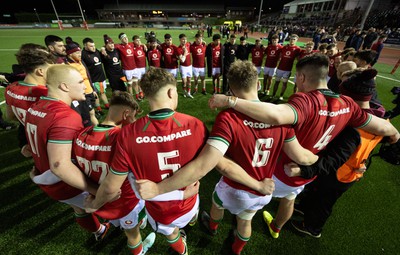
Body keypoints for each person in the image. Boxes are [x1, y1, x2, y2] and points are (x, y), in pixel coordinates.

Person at [206, 53, 399, 239]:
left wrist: (230, 100)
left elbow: (277, 115)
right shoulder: (347, 103)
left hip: (281, 171)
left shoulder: (305, 101)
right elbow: (380, 124)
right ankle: (276, 228)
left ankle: (231, 222)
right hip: (306, 174)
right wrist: (394, 132)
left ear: (301, 76)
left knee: (246, 207)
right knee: (288, 200)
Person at [85, 67, 206, 255]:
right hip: (191, 198)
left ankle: (181, 249)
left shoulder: (127, 134)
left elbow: (111, 187)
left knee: (170, 233)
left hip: (160, 208)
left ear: (146, 95)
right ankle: (189, 224)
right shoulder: (195, 124)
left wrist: (94, 205)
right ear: (170, 92)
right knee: (184, 218)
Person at [289, 68, 387, 238]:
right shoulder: (379, 116)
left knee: (324, 202)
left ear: (350, 97)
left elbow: (332, 161)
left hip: (340, 174)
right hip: (348, 168)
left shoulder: (354, 128)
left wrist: (303, 171)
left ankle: (312, 228)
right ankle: (304, 207)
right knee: (316, 192)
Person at [26, 64, 109, 241]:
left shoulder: (36, 107)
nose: (84, 86)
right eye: (80, 82)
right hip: (66, 183)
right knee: (113, 205)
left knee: (78, 209)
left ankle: (99, 231)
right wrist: (97, 190)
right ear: (64, 86)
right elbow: (60, 165)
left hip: (46, 178)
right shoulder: (65, 116)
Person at [72, 91, 156, 254]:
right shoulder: (124, 138)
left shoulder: (81, 134)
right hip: (124, 201)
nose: (135, 120)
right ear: (126, 113)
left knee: (121, 222)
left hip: (98, 197)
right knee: (132, 235)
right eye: (133, 116)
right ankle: (139, 252)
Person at [5, 43, 53, 157]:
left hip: (34, 142)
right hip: (54, 143)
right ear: (40, 71)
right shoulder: (46, 94)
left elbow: (10, 116)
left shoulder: (11, 88)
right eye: (51, 69)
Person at [66, 42, 98, 126]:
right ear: (70, 55)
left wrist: (93, 89)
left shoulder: (81, 62)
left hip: (90, 91)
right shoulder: (68, 66)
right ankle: (97, 131)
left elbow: (88, 75)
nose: (79, 54)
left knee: (91, 113)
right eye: (77, 52)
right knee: (90, 114)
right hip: (83, 94)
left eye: (80, 52)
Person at [81, 37, 110, 113]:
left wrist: (103, 49)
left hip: (101, 77)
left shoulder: (96, 51)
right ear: (85, 46)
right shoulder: (83, 55)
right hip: (94, 79)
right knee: (96, 94)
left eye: (94, 45)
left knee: (102, 92)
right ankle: (99, 108)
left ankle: (105, 106)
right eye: (91, 46)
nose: (93, 47)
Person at [271, 34, 301, 101]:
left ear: (296, 41)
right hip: (279, 68)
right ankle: (273, 95)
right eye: (291, 39)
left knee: (284, 83)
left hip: (287, 69)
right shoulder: (284, 47)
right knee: (277, 82)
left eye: (294, 39)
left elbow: (298, 59)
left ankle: (281, 95)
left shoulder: (297, 49)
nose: (292, 41)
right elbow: (279, 56)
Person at [114, 33, 138, 99]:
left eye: (126, 37)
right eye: (124, 38)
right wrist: (103, 48)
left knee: (135, 82)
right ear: (121, 40)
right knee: (129, 84)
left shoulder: (131, 44)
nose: (126, 39)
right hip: (127, 69)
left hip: (134, 67)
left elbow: (138, 43)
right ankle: (131, 97)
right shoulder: (119, 46)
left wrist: (144, 45)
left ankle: (137, 94)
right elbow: (108, 45)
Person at [177, 33, 193, 98]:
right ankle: (184, 91)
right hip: (183, 67)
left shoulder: (188, 44)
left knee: (189, 80)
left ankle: (188, 92)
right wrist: (185, 53)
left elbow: (194, 42)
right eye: (183, 39)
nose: (184, 41)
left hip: (189, 66)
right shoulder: (178, 49)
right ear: (180, 40)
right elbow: (182, 60)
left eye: (185, 39)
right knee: (184, 81)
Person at [132, 35, 147, 100]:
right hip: (137, 67)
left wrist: (144, 44)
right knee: (138, 81)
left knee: (143, 80)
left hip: (144, 66)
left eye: (139, 40)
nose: (138, 41)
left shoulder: (142, 47)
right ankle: (139, 92)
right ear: (134, 41)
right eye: (137, 40)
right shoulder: (132, 47)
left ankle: (142, 91)